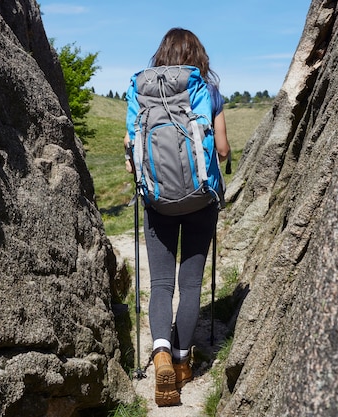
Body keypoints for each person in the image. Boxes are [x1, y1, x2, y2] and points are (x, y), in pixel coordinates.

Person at [123, 28, 230, 406]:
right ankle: (184, 363)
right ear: (197, 56)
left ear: (161, 55)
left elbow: (129, 147)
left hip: (157, 202)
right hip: (201, 200)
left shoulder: (140, 92)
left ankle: (161, 354)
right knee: (191, 283)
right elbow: (222, 149)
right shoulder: (209, 92)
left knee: (162, 282)